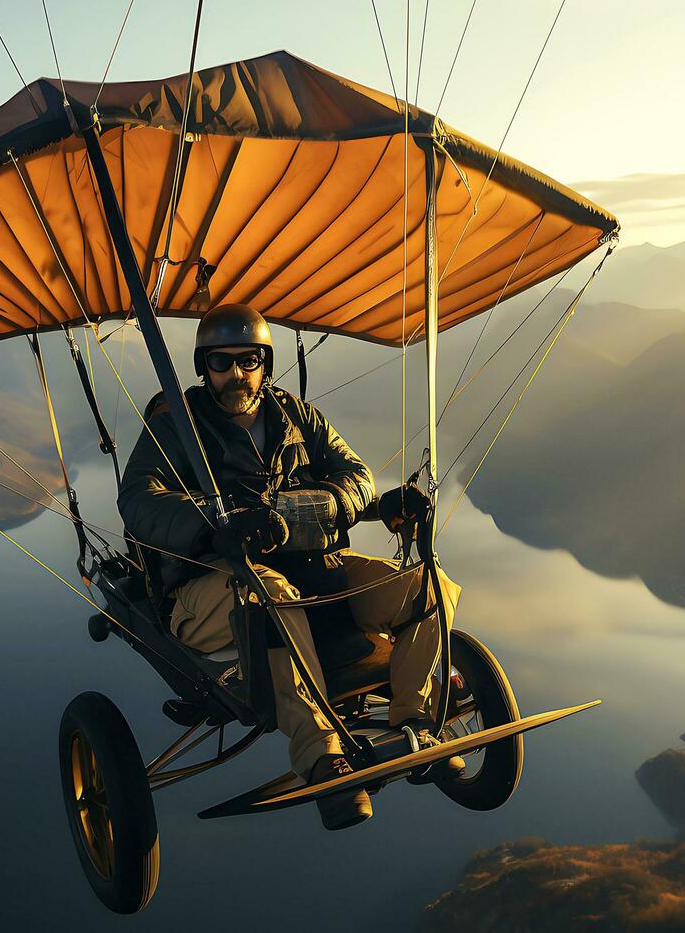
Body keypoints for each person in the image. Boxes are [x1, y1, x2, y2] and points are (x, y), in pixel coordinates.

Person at [117, 303, 463, 830]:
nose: (236, 374)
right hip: (210, 587)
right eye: (221, 363)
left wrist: (349, 502)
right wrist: (215, 527)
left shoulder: (298, 418)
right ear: (202, 368)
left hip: (312, 573)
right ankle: (322, 756)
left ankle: (417, 726)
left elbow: (356, 474)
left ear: (265, 362)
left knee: (423, 586)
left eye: (249, 360)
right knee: (268, 593)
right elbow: (139, 500)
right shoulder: (175, 428)